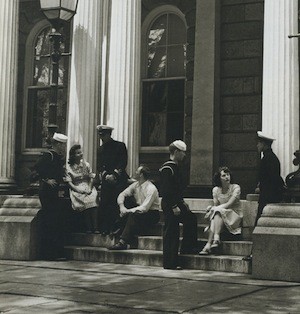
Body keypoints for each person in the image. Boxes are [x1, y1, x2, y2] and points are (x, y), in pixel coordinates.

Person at [243, 131, 284, 261]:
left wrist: (262, 189)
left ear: (264, 144)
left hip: (268, 198)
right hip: (267, 196)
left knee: (260, 225)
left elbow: (272, 180)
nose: (257, 145)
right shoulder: (269, 158)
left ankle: (255, 254)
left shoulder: (268, 159)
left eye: (259, 143)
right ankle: (254, 253)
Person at [159, 140, 198, 270]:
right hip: (170, 204)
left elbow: (177, 189)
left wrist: (182, 203)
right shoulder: (167, 168)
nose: (184, 155)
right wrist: (174, 206)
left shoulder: (175, 167)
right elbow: (166, 190)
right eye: (182, 153)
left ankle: (187, 248)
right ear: (176, 152)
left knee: (191, 219)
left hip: (176, 203)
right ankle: (170, 263)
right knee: (171, 232)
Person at [108, 165, 160, 250]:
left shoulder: (151, 188)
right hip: (139, 211)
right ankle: (117, 230)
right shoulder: (135, 185)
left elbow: (144, 208)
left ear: (141, 175)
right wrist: (122, 207)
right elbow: (122, 194)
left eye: (137, 172)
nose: (135, 173)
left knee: (133, 215)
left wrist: (127, 211)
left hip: (151, 214)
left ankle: (122, 241)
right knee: (126, 202)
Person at [34, 132, 68, 260]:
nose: (64, 148)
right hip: (47, 192)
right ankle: (49, 254)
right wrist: (46, 179)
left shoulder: (56, 157)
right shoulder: (49, 155)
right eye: (62, 145)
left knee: (54, 221)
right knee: (50, 221)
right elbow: (37, 168)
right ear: (57, 144)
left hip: (53, 192)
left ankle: (52, 253)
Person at [199, 167, 242, 255]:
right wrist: (212, 209)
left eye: (228, 175)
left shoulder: (235, 188)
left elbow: (229, 204)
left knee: (217, 211)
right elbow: (216, 206)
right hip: (221, 217)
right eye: (224, 175)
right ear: (219, 178)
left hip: (234, 216)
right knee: (217, 213)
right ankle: (215, 240)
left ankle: (209, 244)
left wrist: (214, 209)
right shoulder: (216, 190)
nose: (227, 177)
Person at [96, 125, 129, 236]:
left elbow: (123, 162)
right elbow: (100, 165)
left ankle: (117, 227)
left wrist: (114, 174)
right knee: (105, 203)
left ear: (109, 134)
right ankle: (105, 228)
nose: (102, 138)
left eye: (104, 135)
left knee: (117, 202)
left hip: (119, 179)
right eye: (100, 135)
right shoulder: (100, 149)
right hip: (107, 180)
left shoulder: (120, 146)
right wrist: (106, 176)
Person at [65, 144, 99, 234]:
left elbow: (91, 177)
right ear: (73, 155)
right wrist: (78, 190)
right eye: (78, 153)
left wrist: (90, 188)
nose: (81, 154)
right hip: (76, 188)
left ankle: (95, 227)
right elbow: (69, 182)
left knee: (93, 198)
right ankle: (88, 227)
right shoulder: (69, 168)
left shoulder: (86, 165)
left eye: (81, 152)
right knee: (85, 201)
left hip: (87, 186)